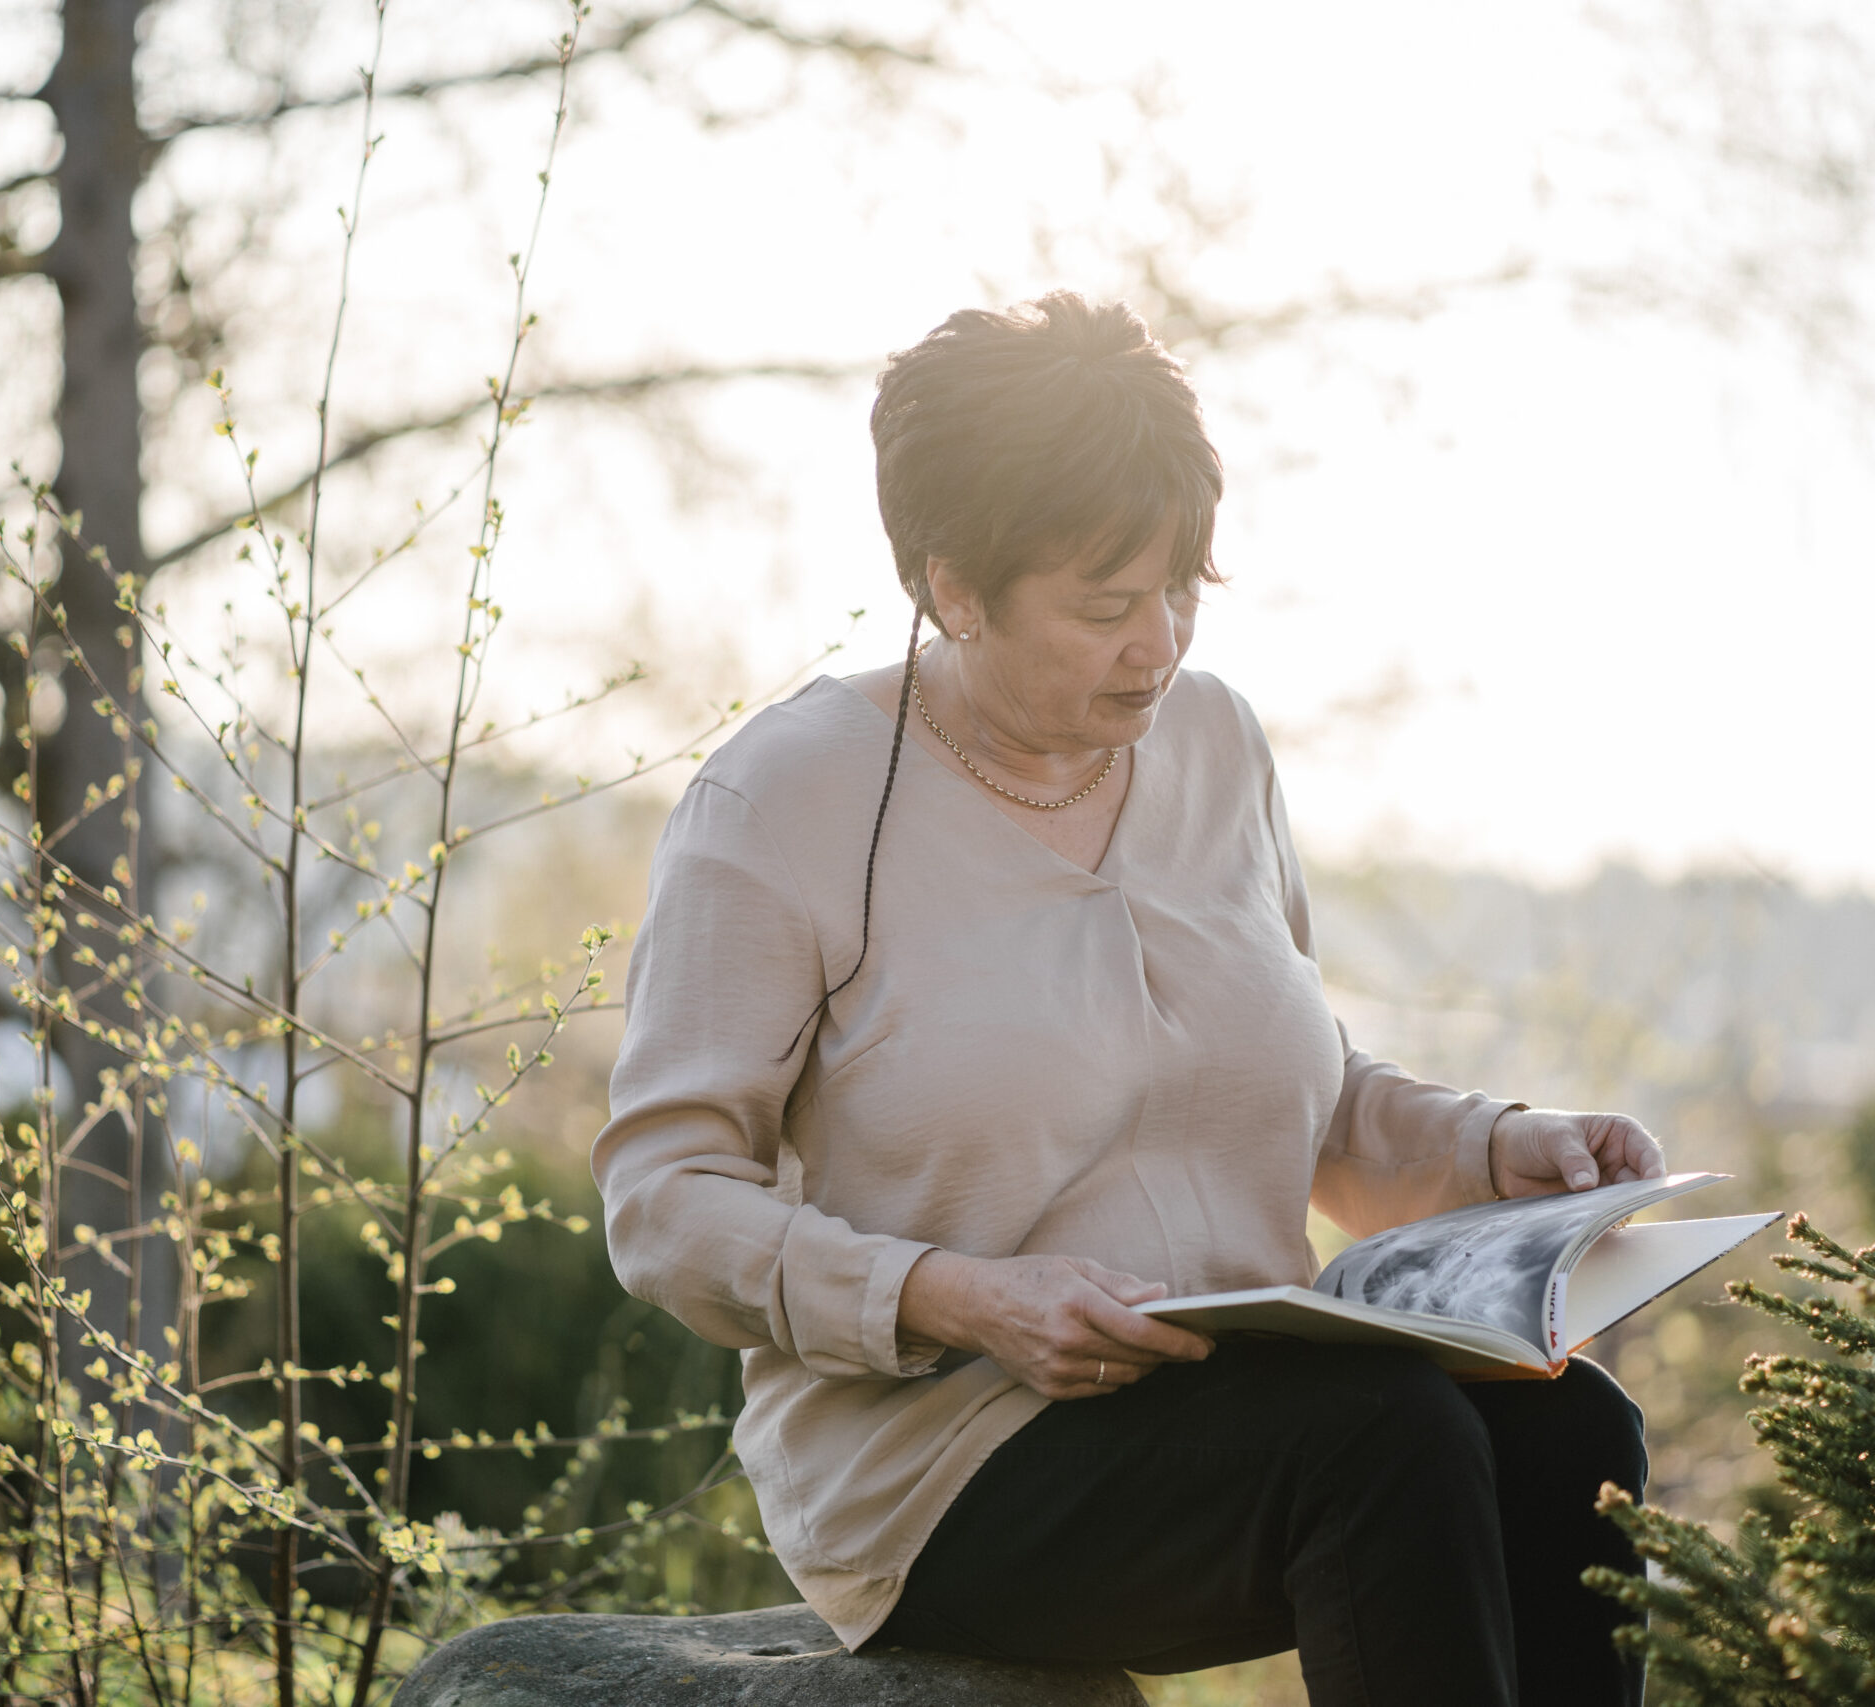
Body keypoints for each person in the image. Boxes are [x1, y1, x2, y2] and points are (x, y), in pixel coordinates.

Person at [592, 291, 1665, 1705]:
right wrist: (957, 1298)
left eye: (1182, 589)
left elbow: (1292, 1090)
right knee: (1384, 1443)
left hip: (1245, 1401)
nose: (1156, 644)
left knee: (1569, 1427)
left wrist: (1491, 1153)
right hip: (949, 1459)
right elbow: (665, 1202)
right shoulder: (784, 801)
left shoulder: (1216, 747)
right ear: (952, 587)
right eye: (1105, 607)